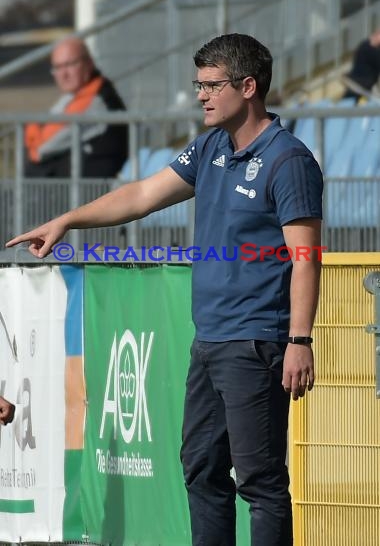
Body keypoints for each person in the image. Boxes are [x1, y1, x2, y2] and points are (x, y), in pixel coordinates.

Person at [7, 33, 323, 546]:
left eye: (211, 84)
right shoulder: (211, 146)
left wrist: (299, 340)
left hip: (257, 342)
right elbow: (141, 196)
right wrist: (67, 220)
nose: (200, 95)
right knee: (201, 469)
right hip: (210, 340)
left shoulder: (289, 161)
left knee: (261, 483)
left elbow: (307, 259)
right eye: (198, 84)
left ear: (247, 86)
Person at [24, 37, 128, 178]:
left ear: (89, 63)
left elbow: (41, 148)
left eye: (70, 64)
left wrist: (32, 130)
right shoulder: (75, 94)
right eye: (57, 67)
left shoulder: (95, 97)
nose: (63, 74)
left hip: (91, 192)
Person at [342, 29, 380, 101]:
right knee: (349, 101)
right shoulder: (367, 48)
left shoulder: (367, 46)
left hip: (363, 83)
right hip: (359, 83)